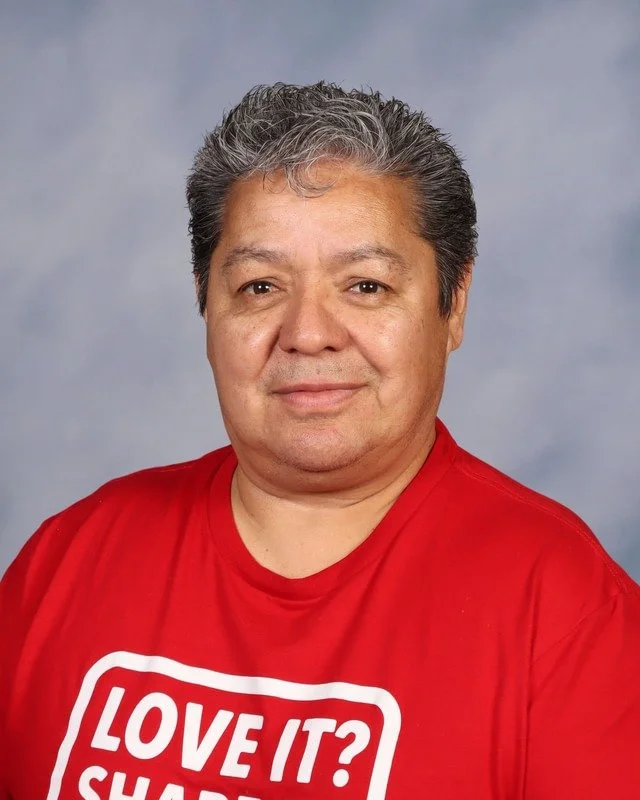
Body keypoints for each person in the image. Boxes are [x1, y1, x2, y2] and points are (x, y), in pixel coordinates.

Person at [1, 81, 639, 800]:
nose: (307, 334)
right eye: (260, 287)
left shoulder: (564, 609)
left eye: (365, 286)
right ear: (204, 301)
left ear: (452, 304)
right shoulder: (71, 556)